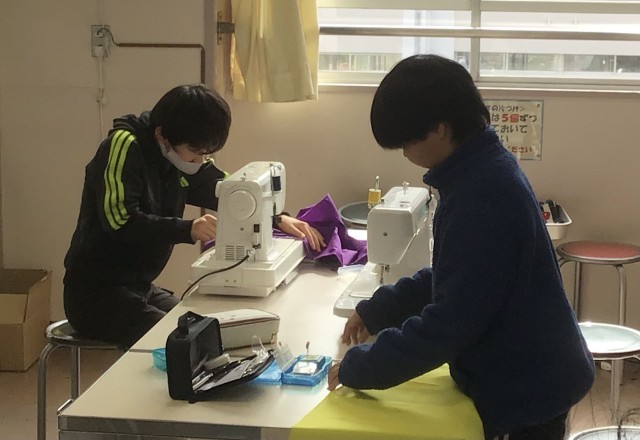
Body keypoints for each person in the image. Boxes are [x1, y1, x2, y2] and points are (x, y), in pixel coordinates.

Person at [327, 55, 595, 440]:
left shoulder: (483, 194)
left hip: (527, 389)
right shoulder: (480, 170)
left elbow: (450, 323)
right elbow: (457, 274)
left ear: (440, 128)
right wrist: (381, 308)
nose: (405, 153)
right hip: (533, 372)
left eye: (406, 142)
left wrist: (362, 366)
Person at [63, 84, 324, 349]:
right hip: (94, 295)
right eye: (195, 152)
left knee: (204, 329)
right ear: (161, 136)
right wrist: (186, 229)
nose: (200, 162)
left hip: (140, 286)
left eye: (206, 154)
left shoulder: (178, 155)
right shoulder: (123, 147)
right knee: (186, 344)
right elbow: (120, 221)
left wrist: (276, 218)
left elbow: (229, 192)